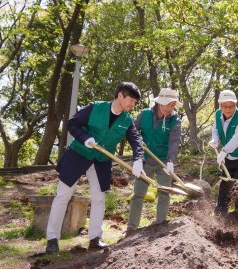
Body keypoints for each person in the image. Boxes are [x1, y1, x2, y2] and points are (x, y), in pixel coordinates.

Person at [45, 82, 144, 253]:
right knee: (63, 195)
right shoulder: (94, 108)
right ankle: (52, 239)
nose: (132, 105)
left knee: (99, 198)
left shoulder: (127, 120)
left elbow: (136, 141)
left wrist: (138, 160)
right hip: (79, 154)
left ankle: (95, 239)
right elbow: (72, 123)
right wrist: (85, 138)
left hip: (101, 160)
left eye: (135, 102)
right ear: (120, 95)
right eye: (131, 100)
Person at [126, 88, 182, 235]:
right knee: (138, 194)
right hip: (144, 160)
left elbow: (174, 143)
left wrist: (170, 161)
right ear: (159, 103)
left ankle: (160, 225)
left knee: (164, 192)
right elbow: (131, 132)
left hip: (163, 161)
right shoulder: (144, 115)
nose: (170, 108)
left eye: (173, 105)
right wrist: (138, 144)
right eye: (168, 105)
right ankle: (131, 229)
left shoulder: (175, 121)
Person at [208, 90, 238, 215]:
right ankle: (220, 214)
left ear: (235, 105)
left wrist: (224, 150)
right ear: (220, 105)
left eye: (231, 106)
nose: (228, 109)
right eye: (225, 106)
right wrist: (215, 140)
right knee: (225, 184)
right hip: (228, 157)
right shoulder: (218, 114)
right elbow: (216, 130)